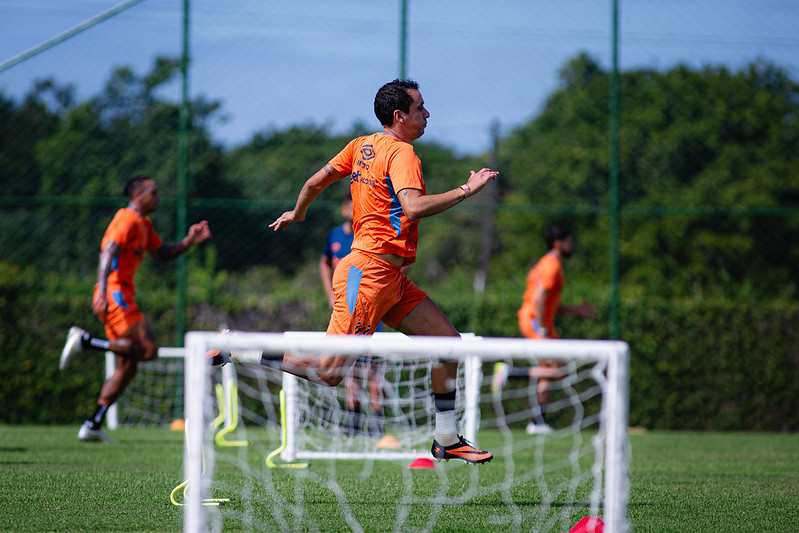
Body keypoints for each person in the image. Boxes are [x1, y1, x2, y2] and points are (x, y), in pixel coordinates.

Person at [211, 79, 498, 464]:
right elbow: (412, 207)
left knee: (448, 344)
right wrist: (467, 189)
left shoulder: (361, 145)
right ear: (399, 116)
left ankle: (446, 439)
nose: (427, 114)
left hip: (390, 279)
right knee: (329, 373)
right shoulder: (403, 153)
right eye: (420, 108)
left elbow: (314, 181)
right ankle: (238, 346)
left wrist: (298, 212)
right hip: (368, 275)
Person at [60, 175, 212, 442]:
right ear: (137, 195)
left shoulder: (144, 224)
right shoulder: (127, 219)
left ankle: (93, 424)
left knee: (127, 367)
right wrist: (102, 290)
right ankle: (85, 342)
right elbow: (108, 251)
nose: (158, 197)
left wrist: (189, 241)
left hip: (119, 294)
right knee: (149, 349)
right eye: (153, 193)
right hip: (115, 295)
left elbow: (162, 254)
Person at [492, 226, 594, 434]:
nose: (571, 245)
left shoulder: (546, 262)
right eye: (568, 241)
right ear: (558, 243)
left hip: (536, 321)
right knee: (560, 370)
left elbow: (548, 302)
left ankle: (538, 422)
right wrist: (543, 328)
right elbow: (539, 298)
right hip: (536, 323)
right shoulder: (552, 266)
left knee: (548, 372)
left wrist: (575, 311)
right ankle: (509, 372)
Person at [320, 192, 383, 436]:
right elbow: (324, 262)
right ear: (343, 208)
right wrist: (331, 294)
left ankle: (376, 421)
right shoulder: (334, 235)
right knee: (348, 365)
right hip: (344, 310)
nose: (351, 209)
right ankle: (353, 419)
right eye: (349, 205)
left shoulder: (367, 235)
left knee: (372, 366)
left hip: (368, 309)